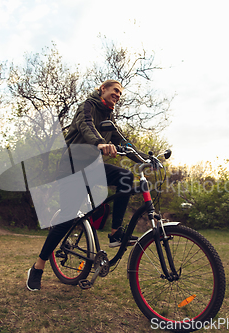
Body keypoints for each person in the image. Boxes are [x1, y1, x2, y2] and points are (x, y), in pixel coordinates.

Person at [27, 80, 145, 291]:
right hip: (71, 168)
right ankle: (38, 267)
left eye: (120, 92)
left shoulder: (109, 118)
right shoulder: (87, 106)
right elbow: (86, 125)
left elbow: (124, 142)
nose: (118, 94)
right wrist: (99, 142)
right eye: (115, 90)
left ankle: (116, 232)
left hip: (92, 169)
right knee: (67, 219)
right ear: (103, 90)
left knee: (126, 178)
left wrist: (145, 159)